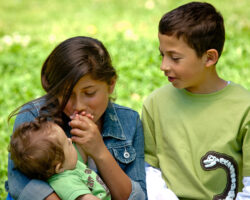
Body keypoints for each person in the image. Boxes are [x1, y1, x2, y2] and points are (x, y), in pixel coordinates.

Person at [6, 36, 147, 200]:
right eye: (66, 95)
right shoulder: (34, 117)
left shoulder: (128, 121)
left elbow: (136, 197)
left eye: (89, 93)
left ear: (111, 84)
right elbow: (19, 182)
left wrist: (99, 151)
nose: (78, 105)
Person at [142, 2, 250, 200]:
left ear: (209, 58)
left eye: (174, 58)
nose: (163, 66)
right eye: (162, 55)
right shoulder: (154, 104)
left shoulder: (245, 108)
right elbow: (148, 167)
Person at [9, 118, 110, 200]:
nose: (70, 139)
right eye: (68, 143)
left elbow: (81, 154)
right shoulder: (65, 182)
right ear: (59, 167)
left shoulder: (68, 164)